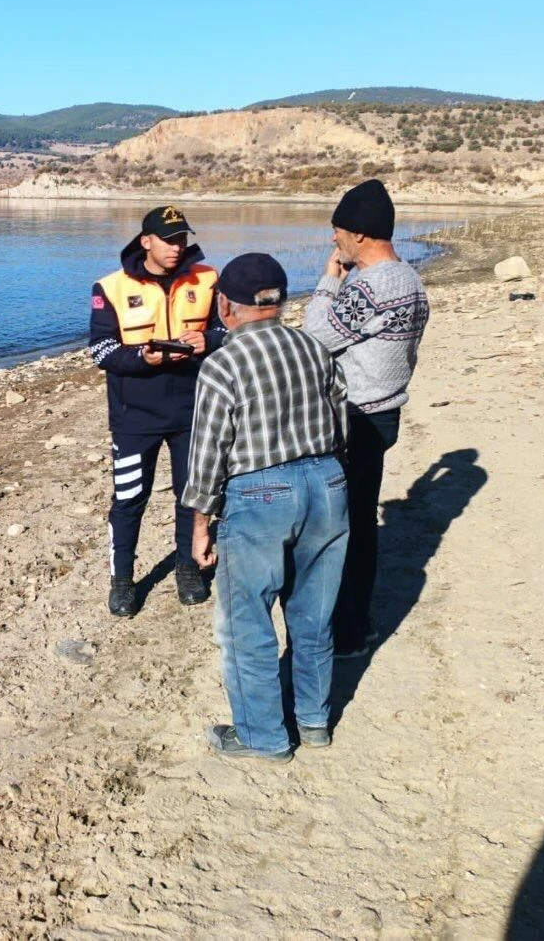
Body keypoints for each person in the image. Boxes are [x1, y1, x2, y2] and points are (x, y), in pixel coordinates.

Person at [183, 253, 350, 762]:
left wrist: (200, 524)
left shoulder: (223, 363)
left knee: (247, 622)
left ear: (226, 307)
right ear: (279, 300)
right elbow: (341, 416)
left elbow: (209, 449)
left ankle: (263, 736)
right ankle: (315, 721)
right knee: (313, 617)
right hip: (327, 482)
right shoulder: (314, 348)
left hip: (260, 494)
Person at [303, 179, 430, 660]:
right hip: (386, 409)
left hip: (357, 416)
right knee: (357, 517)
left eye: (336, 233)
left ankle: (350, 633)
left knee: (345, 525)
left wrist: (328, 280)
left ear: (358, 234)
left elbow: (316, 337)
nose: (333, 241)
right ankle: (359, 623)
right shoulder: (410, 280)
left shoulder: (371, 286)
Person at [89, 205, 226, 615]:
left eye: (181, 238)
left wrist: (209, 341)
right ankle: (123, 581)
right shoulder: (109, 287)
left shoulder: (209, 279)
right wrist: (140, 360)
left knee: (192, 495)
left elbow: (230, 329)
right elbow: (101, 349)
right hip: (135, 417)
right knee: (130, 499)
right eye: (168, 239)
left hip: (194, 411)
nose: (177, 247)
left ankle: (187, 568)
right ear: (146, 241)